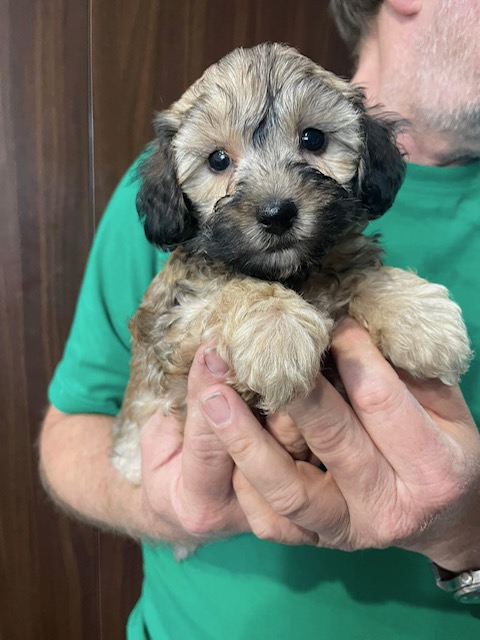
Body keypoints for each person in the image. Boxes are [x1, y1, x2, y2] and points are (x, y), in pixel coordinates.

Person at [40, 0, 480, 637]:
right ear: (176, 189)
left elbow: (355, 278)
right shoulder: (164, 246)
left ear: (368, 155)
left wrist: (468, 537)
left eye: (312, 141)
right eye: (219, 163)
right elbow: (75, 423)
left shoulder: (353, 256)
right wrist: (164, 507)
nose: (275, 198)